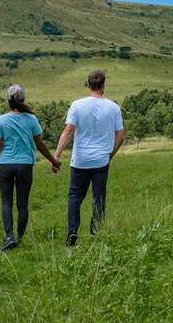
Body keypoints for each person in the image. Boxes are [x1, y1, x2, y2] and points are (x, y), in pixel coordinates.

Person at [54, 70, 125, 246]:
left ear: (88, 85)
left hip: (80, 160)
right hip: (101, 160)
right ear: (103, 86)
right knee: (99, 197)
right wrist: (110, 155)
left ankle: (72, 231)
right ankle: (96, 232)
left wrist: (56, 155)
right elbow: (121, 136)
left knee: (75, 196)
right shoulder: (113, 107)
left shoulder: (77, 105)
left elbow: (68, 131)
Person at [0, 85, 61, 251]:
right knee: (23, 204)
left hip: (6, 164)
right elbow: (41, 145)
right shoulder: (32, 119)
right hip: (25, 165)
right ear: (23, 100)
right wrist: (54, 161)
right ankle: (19, 240)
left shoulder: (1, 120)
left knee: (6, 202)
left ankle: (9, 238)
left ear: (8, 101)